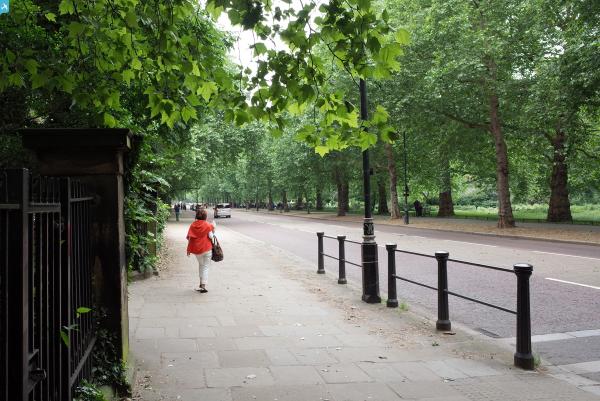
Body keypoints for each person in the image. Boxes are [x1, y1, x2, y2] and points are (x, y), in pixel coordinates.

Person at [186, 208, 215, 293]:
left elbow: (190, 237)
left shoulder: (193, 225)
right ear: (205, 216)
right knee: (205, 267)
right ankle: (203, 285)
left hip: (197, 250)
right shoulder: (208, 225)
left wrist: (188, 249)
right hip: (207, 249)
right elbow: (211, 236)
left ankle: (201, 283)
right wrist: (214, 228)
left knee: (201, 265)